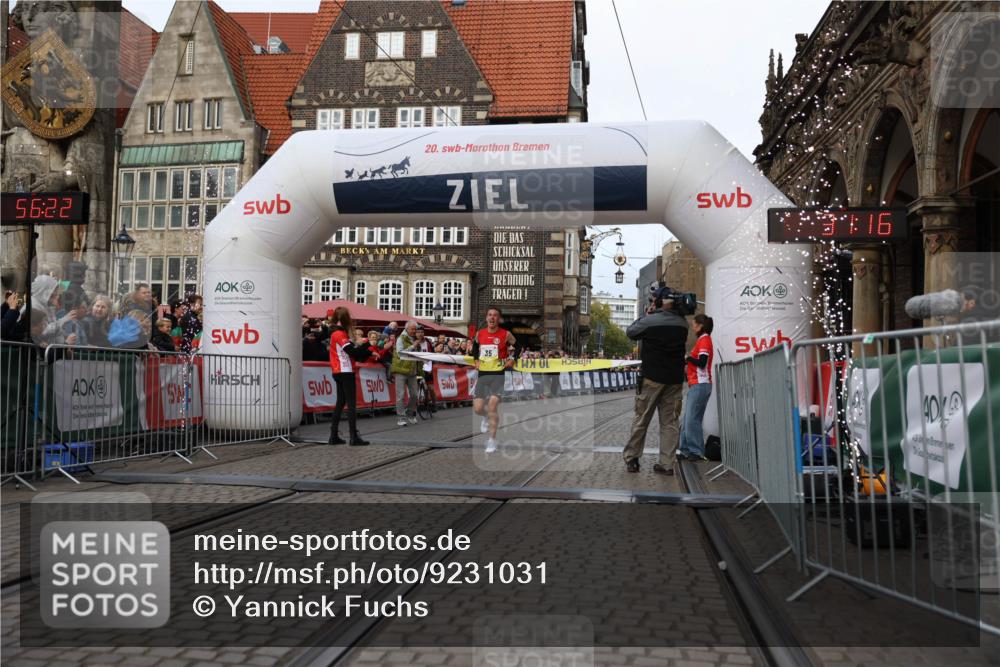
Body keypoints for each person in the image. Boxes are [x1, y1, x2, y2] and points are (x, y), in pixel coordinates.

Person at [622, 289, 689, 475]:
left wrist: (647, 314)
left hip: (652, 378)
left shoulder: (651, 321)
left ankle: (632, 459)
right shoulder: (682, 323)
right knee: (670, 423)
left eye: (654, 300)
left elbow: (631, 332)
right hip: (674, 380)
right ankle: (667, 464)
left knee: (641, 419)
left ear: (659, 302)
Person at [327, 306, 378, 446]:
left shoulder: (336, 333)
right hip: (345, 370)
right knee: (351, 404)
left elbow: (353, 352)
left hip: (339, 371)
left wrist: (366, 349)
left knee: (340, 403)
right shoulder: (339, 334)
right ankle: (353, 436)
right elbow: (353, 352)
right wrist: (369, 348)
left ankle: (333, 435)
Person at [472, 306, 517, 453]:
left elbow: (518, 345)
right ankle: (485, 417)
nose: (492, 318)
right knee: (478, 408)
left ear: (499, 319)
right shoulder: (480, 333)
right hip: (483, 374)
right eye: (489, 315)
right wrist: (476, 360)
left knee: (492, 406)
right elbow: (474, 347)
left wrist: (512, 359)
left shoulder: (505, 334)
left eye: (495, 316)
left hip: (498, 374)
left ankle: (492, 440)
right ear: (486, 318)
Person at [678, 314, 714, 462]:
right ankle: (686, 449)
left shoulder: (704, 340)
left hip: (701, 384)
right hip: (697, 384)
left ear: (700, 325)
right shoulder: (702, 339)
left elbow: (702, 362)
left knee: (692, 419)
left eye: (694, 324)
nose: (692, 327)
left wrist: (687, 358)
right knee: (688, 419)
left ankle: (696, 450)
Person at [390, 321, 422, 426]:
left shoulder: (416, 339)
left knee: (414, 395)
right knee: (400, 395)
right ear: (407, 329)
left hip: (412, 370)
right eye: (412, 329)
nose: (413, 331)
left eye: (415, 329)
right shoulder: (401, 338)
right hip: (401, 370)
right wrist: (413, 346)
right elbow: (400, 353)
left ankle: (410, 414)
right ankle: (401, 418)